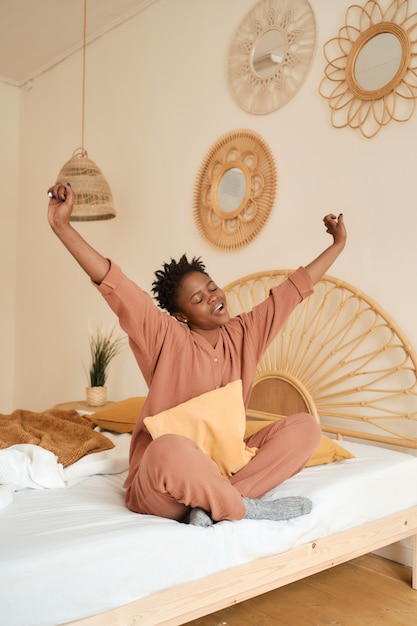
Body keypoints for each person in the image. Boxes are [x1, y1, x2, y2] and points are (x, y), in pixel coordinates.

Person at [47, 182, 346, 526]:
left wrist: (337, 245)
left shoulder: (245, 332)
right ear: (182, 316)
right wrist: (62, 226)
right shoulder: (164, 337)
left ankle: (214, 502)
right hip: (164, 484)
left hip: (223, 467)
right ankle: (241, 507)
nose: (213, 297)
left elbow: (292, 292)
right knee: (167, 448)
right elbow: (115, 285)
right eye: (198, 299)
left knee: (307, 428)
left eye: (212, 287)